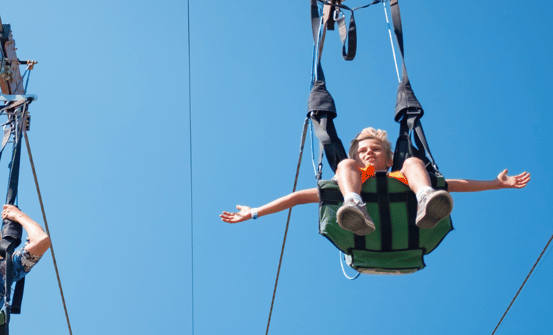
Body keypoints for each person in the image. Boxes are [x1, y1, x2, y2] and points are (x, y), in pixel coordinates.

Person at [220, 128, 531, 233]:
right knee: (343, 164)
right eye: (363, 150)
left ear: (387, 154)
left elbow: (454, 184)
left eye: (375, 150)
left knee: (414, 161)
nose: (368, 154)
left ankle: (425, 199)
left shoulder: (402, 170)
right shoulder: (352, 174)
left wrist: (496, 183)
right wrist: (255, 211)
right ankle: (354, 206)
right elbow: (298, 197)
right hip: (360, 225)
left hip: (411, 221)